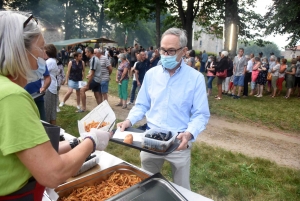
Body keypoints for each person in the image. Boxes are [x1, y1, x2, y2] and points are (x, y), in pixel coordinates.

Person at [0, 11, 111, 199]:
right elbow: (53, 173)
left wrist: (77, 141)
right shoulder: (11, 96)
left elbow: (27, 152)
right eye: (40, 48)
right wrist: (92, 141)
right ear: (19, 49)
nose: (44, 55)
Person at [117, 28, 210, 190]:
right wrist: (129, 120)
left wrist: (189, 133)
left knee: (182, 189)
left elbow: (201, 114)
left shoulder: (195, 78)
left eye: (171, 51)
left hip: (179, 141)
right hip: (151, 139)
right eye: (163, 50)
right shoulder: (152, 74)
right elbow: (141, 104)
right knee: (147, 184)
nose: (166, 55)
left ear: (184, 51)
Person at [80, 47, 102, 112]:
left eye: (86, 52)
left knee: (82, 90)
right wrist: (89, 75)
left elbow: (92, 73)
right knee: (97, 94)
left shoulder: (93, 59)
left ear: (89, 52)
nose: (85, 54)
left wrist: (88, 84)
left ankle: (83, 108)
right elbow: (92, 73)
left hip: (95, 79)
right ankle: (102, 109)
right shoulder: (95, 58)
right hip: (98, 79)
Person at [44, 44, 59, 124]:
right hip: (53, 87)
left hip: (49, 88)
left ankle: (47, 130)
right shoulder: (53, 61)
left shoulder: (49, 62)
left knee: (47, 111)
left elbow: (41, 74)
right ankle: (53, 130)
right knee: (52, 111)